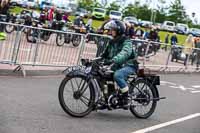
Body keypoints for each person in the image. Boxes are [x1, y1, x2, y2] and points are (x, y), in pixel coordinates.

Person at [100, 20, 138, 109]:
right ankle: (107, 99)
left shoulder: (126, 41)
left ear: (118, 30)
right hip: (118, 65)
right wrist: (95, 60)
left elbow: (125, 53)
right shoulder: (112, 42)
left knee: (118, 75)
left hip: (129, 65)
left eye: (112, 30)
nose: (110, 31)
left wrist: (114, 60)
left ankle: (126, 98)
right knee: (102, 74)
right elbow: (104, 55)